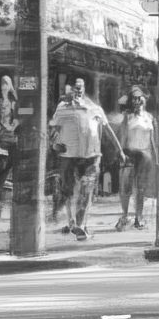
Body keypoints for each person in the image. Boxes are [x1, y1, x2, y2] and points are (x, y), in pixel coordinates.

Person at [49, 78, 123, 240]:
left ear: (84, 89)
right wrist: (54, 144)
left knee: (87, 190)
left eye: (80, 87)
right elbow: (53, 130)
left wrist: (120, 151)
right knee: (69, 191)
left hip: (91, 156)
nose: (78, 90)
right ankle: (72, 222)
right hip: (69, 156)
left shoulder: (94, 108)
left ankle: (81, 225)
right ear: (69, 89)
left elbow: (108, 130)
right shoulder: (62, 108)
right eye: (75, 87)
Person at [113, 86, 159, 232]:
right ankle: (125, 215)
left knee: (141, 189)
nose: (137, 101)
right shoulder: (127, 117)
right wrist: (121, 153)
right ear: (131, 101)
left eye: (139, 98)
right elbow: (123, 136)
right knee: (125, 187)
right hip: (129, 154)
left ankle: (139, 217)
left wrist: (156, 158)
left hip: (145, 156)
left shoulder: (150, 118)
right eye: (134, 98)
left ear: (143, 100)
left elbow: (153, 140)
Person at [0, 76, 17, 220]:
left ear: (10, 86)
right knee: (1, 173)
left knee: (6, 171)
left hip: (12, 141)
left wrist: (12, 126)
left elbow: (22, 115)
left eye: (6, 84)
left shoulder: (14, 102)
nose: (4, 86)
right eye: (2, 83)